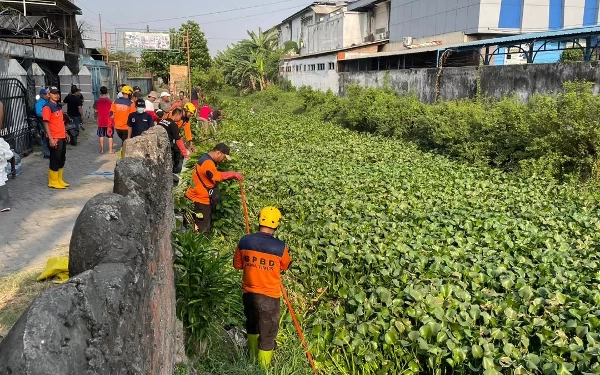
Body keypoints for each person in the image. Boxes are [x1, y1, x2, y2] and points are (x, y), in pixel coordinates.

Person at [233, 206, 291, 369]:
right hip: (269, 298)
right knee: (268, 333)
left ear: (259, 220)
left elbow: (237, 265)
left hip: (249, 294)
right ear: (277, 224)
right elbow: (285, 266)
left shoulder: (245, 241)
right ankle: (262, 369)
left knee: (252, 324)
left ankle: (251, 361)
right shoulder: (280, 247)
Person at [185, 143, 243, 233]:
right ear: (218, 153)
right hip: (200, 200)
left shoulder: (206, 158)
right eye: (224, 157)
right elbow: (215, 176)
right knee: (203, 232)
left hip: (195, 196)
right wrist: (233, 174)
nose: (223, 160)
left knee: (194, 226)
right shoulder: (207, 163)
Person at [42, 87, 69, 189]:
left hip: (61, 136)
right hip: (54, 137)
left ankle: (59, 179)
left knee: (62, 158)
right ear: (49, 95)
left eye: (57, 93)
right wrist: (51, 138)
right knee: (55, 159)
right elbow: (46, 123)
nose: (57, 95)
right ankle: (53, 181)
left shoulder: (58, 106)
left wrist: (65, 132)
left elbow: (61, 121)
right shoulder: (47, 107)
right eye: (54, 94)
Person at [156, 107, 189, 175]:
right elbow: (178, 141)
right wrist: (186, 155)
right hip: (163, 147)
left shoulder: (163, 120)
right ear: (177, 115)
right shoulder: (173, 125)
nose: (181, 119)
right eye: (180, 116)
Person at [93, 86, 114, 154]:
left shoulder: (97, 101)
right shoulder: (111, 101)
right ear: (107, 92)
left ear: (100, 92)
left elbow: (95, 110)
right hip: (109, 121)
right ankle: (110, 150)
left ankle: (102, 150)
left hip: (101, 120)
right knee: (110, 136)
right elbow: (113, 111)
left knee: (101, 135)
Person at [35, 88, 50, 158]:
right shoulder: (39, 103)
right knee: (45, 138)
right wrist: (47, 115)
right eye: (44, 94)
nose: (46, 95)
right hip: (43, 122)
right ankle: (46, 153)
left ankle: (49, 152)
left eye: (46, 94)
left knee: (48, 137)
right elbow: (38, 113)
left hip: (48, 122)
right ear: (41, 95)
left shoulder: (46, 101)